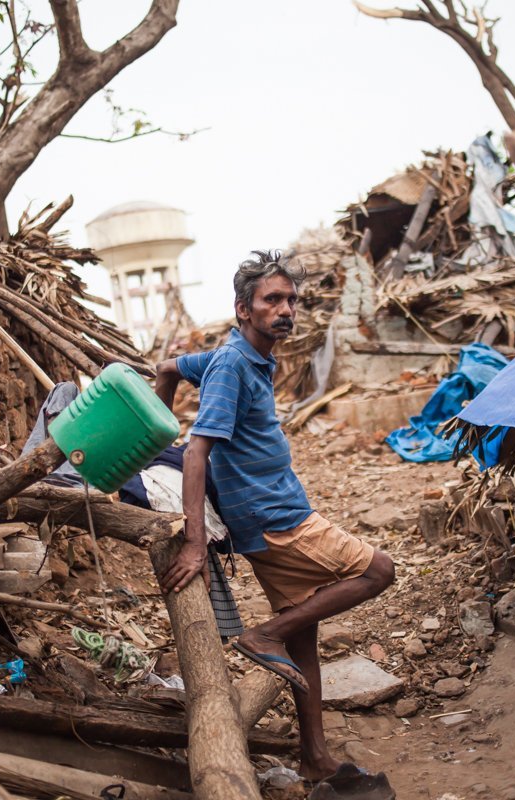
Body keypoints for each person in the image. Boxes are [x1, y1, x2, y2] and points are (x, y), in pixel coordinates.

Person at [154, 249, 395, 782]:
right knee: (379, 570)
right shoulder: (234, 365)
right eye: (273, 300)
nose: (286, 309)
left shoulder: (237, 355)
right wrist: (195, 542)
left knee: (303, 637)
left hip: (267, 517)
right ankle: (262, 636)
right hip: (279, 519)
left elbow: (169, 366)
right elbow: (197, 451)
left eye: (291, 300)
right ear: (243, 308)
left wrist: (155, 425)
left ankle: (313, 758)